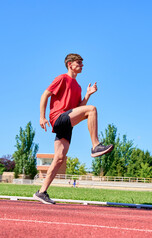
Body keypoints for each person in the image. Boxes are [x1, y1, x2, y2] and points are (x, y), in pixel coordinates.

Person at [33, 53, 113, 204]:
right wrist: (42, 116)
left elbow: (78, 110)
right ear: (70, 64)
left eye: (82, 63)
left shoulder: (78, 86)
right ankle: (95, 146)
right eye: (79, 63)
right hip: (58, 118)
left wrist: (88, 95)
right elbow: (45, 95)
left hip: (67, 122)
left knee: (59, 158)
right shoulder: (62, 78)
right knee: (93, 110)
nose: (82, 65)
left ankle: (41, 192)